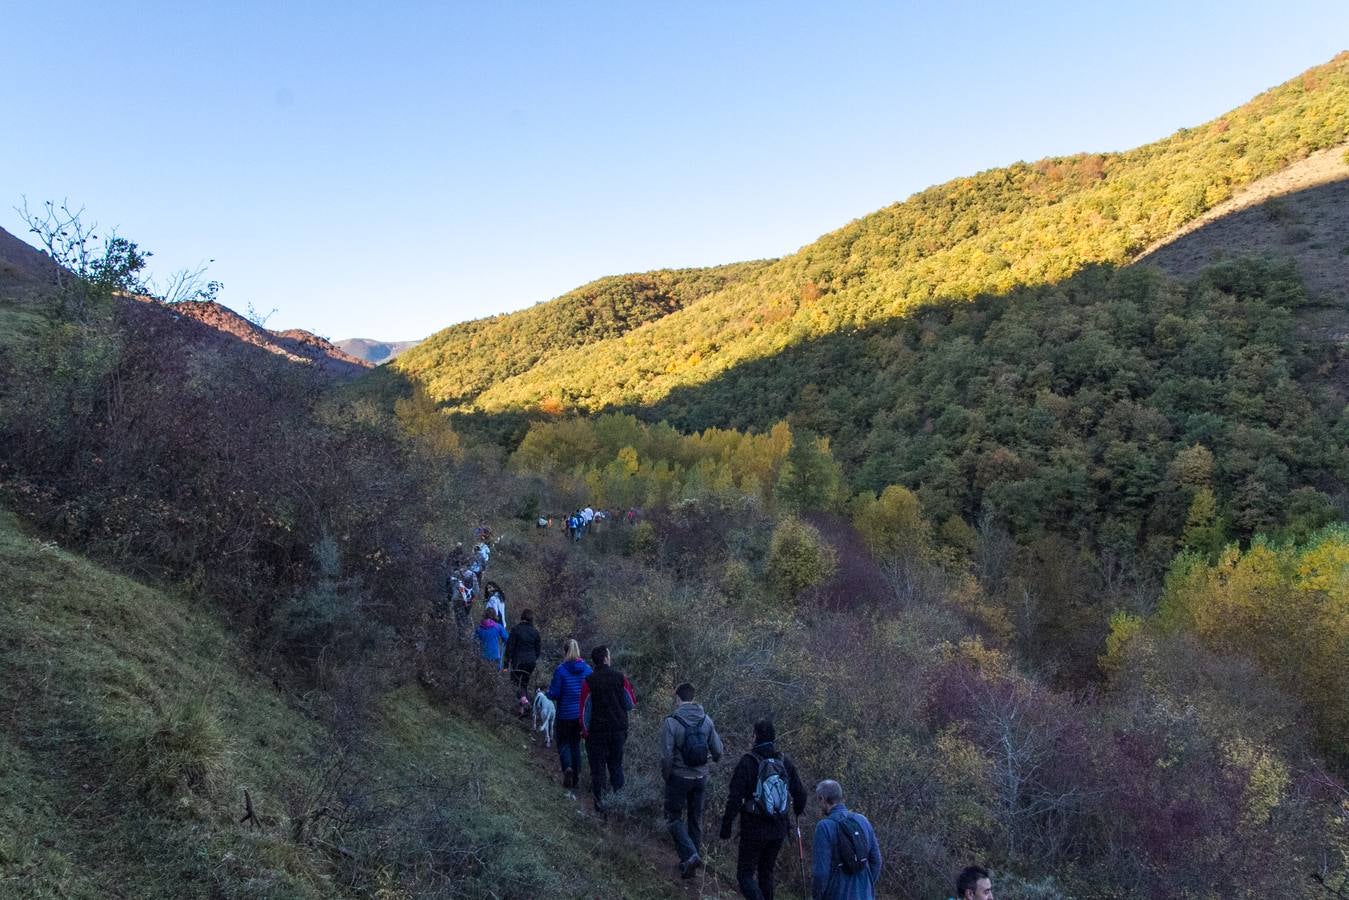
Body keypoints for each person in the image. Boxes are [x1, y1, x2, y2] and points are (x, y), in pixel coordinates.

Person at [719, 720, 808, 900]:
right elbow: (801, 795)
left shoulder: (748, 761)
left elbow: (734, 797)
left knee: (744, 874)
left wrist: (726, 825)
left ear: (755, 736)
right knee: (766, 873)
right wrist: (797, 810)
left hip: (753, 827)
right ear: (773, 738)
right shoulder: (784, 762)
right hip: (778, 828)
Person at [661, 682, 724, 878]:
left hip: (679, 777)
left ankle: (691, 855)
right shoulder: (706, 720)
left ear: (678, 699)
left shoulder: (671, 721)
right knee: (695, 820)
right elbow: (718, 751)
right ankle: (690, 867)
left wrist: (667, 775)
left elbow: (666, 756)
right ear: (693, 698)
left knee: (672, 817)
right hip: (701, 777)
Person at [579, 645, 637, 813]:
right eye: (609, 655)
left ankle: (601, 808)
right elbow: (630, 703)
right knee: (616, 767)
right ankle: (619, 805)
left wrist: (585, 731)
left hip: (596, 732)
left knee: (598, 770)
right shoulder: (621, 678)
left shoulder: (589, 681)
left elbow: (584, 710)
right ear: (605, 658)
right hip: (618, 730)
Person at [810, 780, 881, 900]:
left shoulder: (824, 827)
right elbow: (876, 861)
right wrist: (866, 888)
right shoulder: (863, 820)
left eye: (819, 800)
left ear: (822, 799)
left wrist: (817, 896)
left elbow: (820, 874)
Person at [547, 639, 593, 789]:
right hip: (580, 716)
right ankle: (577, 777)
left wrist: (548, 693)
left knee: (563, 743)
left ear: (564, 651)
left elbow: (555, 693)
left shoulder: (561, 670)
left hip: (564, 714)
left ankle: (567, 767)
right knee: (576, 745)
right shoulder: (587, 669)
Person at [504, 609, 542, 713]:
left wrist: (505, 665)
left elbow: (509, 648)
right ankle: (521, 711)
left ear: (522, 617)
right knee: (524, 684)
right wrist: (533, 659)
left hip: (518, 662)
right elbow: (538, 650)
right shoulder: (535, 632)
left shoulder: (516, 630)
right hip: (530, 663)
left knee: (515, 684)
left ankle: (525, 703)